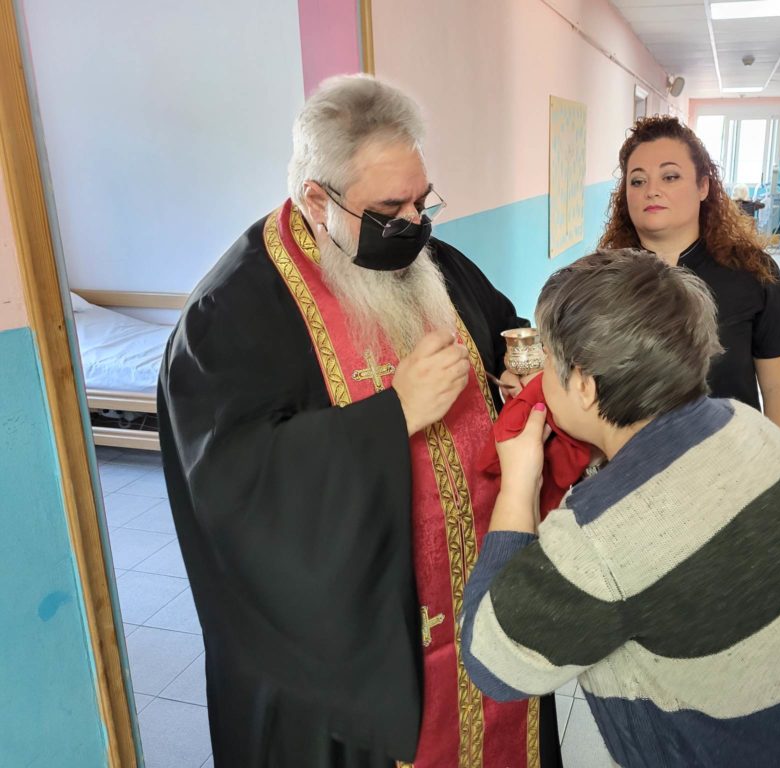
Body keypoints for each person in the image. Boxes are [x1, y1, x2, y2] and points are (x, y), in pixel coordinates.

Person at [157, 75, 561, 768]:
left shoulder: (423, 256)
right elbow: (231, 487)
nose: (415, 223)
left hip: (484, 592)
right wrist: (393, 416)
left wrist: (520, 371)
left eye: (422, 200)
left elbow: (502, 325)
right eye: (389, 208)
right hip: (364, 652)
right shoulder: (230, 312)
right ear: (318, 200)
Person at [459, 250, 780, 768]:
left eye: (550, 365)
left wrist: (518, 485)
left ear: (583, 383)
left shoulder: (600, 538)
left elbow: (493, 662)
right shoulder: (745, 424)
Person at [599, 115, 780, 449]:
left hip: (732, 462)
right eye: (637, 181)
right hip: (630, 467)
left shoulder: (752, 273)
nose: (651, 190)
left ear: (703, 187)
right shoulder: (604, 279)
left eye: (670, 176)